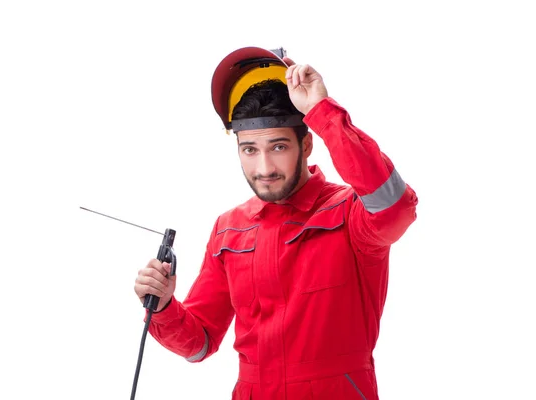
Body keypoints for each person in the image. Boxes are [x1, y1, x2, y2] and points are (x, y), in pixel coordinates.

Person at [134, 46, 418, 400]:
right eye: (250, 149)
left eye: (279, 147)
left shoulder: (351, 213)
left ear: (308, 143)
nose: (264, 168)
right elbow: (199, 342)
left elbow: (394, 207)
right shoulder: (229, 229)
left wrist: (322, 112)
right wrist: (162, 306)